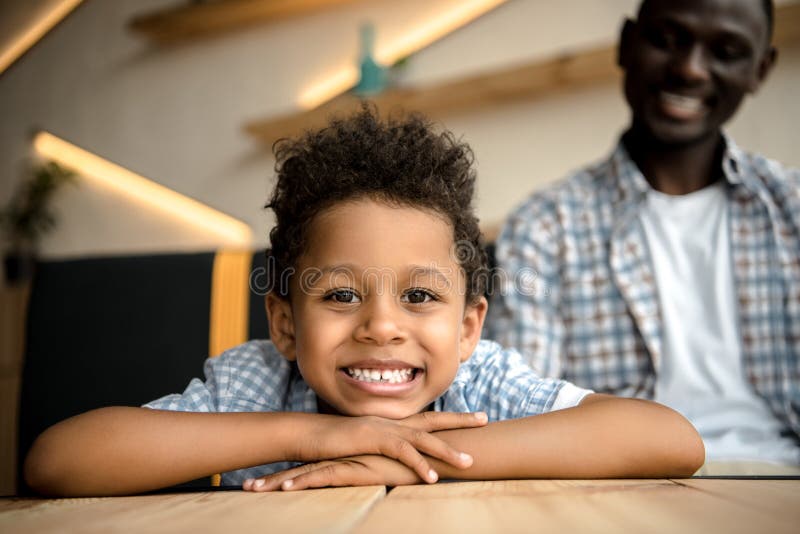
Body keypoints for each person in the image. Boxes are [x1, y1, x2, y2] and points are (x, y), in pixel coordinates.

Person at [24, 108, 703, 497]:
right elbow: (56, 462)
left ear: (469, 328)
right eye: (342, 295)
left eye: (419, 296)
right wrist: (314, 435)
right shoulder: (256, 383)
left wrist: (401, 458)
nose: (382, 326)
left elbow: (672, 440)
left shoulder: (480, 383)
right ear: (285, 323)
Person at [486, 0, 799, 474]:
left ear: (760, 69)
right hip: (620, 478)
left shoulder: (792, 209)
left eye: (727, 51)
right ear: (627, 43)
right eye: (668, 40)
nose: (690, 69)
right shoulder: (545, 224)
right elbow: (519, 408)